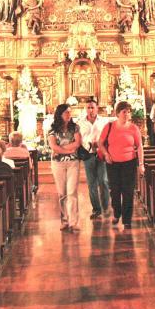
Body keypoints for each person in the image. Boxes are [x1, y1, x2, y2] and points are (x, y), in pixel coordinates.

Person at [99, 101, 144, 231]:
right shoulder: (109, 126)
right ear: (117, 113)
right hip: (113, 163)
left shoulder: (133, 128)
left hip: (129, 163)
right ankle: (117, 212)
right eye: (124, 111)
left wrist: (141, 164)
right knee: (115, 190)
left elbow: (140, 146)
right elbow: (100, 143)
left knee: (128, 191)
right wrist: (106, 155)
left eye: (129, 111)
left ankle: (127, 219)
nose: (127, 114)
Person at [48, 103, 83, 232]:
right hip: (58, 163)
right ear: (60, 114)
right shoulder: (52, 130)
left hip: (73, 162)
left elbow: (78, 143)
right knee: (62, 192)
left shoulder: (75, 127)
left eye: (70, 112)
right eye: (66, 112)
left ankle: (73, 221)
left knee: (72, 191)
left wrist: (62, 150)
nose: (69, 115)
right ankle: (64, 220)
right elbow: (53, 146)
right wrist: (69, 148)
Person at [78, 98, 110, 220]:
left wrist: (100, 144)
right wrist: (89, 144)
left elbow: (108, 135)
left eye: (93, 107)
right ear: (85, 109)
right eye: (88, 107)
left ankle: (106, 207)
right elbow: (79, 138)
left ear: (97, 108)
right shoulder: (80, 123)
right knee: (92, 183)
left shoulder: (104, 121)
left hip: (101, 153)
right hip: (88, 154)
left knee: (104, 181)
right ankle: (96, 209)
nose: (91, 110)